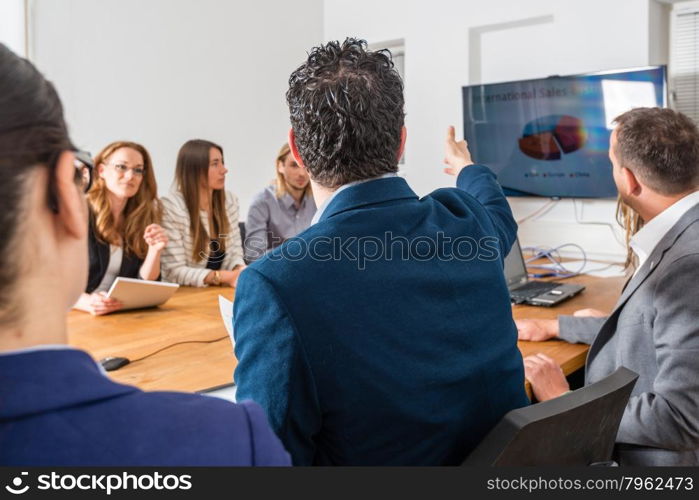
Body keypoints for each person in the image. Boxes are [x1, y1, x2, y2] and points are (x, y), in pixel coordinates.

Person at [232, 38, 529, 466]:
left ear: (297, 148)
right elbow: (497, 211)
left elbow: (270, 459)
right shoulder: (466, 222)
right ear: (401, 143)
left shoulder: (277, 283)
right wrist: (467, 167)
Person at [0, 43, 289, 466]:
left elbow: (187, 267)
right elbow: (178, 271)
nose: (224, 170)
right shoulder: (229, 443)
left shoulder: (178, 210)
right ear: (72, 186)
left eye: (137, 169)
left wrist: (227, 269)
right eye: (215, 162)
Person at [517, 107, 699, 466]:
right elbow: (648, 326)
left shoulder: (686, 266)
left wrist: (564, 401)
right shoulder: (683, 237)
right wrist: (555, 326)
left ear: (629, 180)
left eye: (612, 164)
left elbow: (680, 417)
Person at [73, 141, 167, 315]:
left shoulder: (140, 217)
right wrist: (86, 302)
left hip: (118, 314)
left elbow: (144, 283)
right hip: (76, 313)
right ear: (101, 171)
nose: (130, 176)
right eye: (121, 167)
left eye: (138, 170)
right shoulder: (78, 212)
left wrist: (154, 251)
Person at [161, 140, 245, 287]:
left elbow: (235, 253)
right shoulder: (170, 207)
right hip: (183, 296)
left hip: (217, 293)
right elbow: (173, 271)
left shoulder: (230, 201)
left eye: (222, 162)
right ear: (194, 169)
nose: (224, 170)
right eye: (215, 164)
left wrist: (240, 269)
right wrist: (224, 277)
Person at [244, 143, 316, 262]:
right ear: (280, 166)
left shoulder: (317, 201)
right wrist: (294, 253)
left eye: (305, 166)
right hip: (275, 272)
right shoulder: (262, 202)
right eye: (294, 165)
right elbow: (254, 256)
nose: (302, 174)